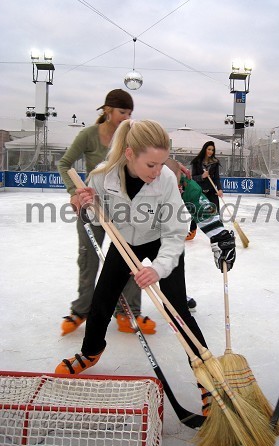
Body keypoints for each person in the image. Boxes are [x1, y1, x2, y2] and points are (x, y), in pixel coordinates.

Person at [55, 120, 214, 413]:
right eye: (151, 165)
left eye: (161, 164)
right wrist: (83, 206)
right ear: (130, 154)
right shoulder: (101, 176)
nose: (157, 172)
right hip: (126, 241)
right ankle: (91, 353)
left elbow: (175, 230)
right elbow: (93, 218)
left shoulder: (165, 179)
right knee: (102, 299)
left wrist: (160, 268)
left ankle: (207, 377)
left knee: (177, 308)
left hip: (160, 240)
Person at [58, 89, 156, 336]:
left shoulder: (131, 137)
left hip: (121, 210)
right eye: (123, 112)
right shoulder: (89, 135)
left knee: (130, 260)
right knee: (88, 260)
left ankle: (128, 312)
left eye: (130, 113)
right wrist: (73, 191)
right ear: (108, 110)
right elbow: (64, 163)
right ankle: (82, 309)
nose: (127, 117)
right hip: (91, 208)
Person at [187, 141, 223, 241]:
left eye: (212, 150)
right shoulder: (197, 162)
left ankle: (220, 233)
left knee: (216, 212)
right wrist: (202, 176)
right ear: (205, 149)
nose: (211, 151)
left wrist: (219, 189)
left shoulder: (215, 163)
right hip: (200, 191)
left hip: (212, 191)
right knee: (197, 212)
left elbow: (217, 178)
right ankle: (192, 231)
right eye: (209, 149)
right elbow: (193, 178)